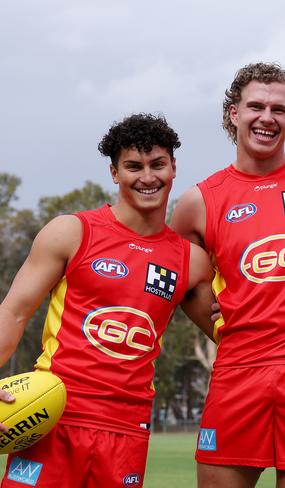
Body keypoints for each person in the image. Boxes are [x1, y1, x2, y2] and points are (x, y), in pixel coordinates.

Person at [0, 113, 215, 487]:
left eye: (157, 164)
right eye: (134, 166)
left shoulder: (190, 261)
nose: (147, 177)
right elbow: (14, 313)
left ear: (173, 167)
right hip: (53, 418)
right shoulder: (70, 232)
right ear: (115, 172)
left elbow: (231, 330)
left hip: (127, 427)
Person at [170, 62, 285, 488]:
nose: (267, 118)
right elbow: (181, 282)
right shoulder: (199, 200)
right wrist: (219, 326)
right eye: (256, 106)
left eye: (280, 110)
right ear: (234, 113)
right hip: (239, 369)